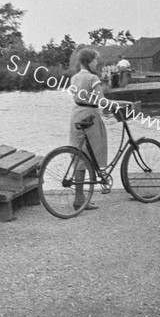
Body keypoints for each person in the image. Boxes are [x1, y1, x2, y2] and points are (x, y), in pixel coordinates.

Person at [69, 49, 108, 210]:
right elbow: (102, 102)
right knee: (92, 154)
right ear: (89, 61)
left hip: (76, 115)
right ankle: (82, 197)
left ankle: (80, 198)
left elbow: (76, 96)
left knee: (79, 155)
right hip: (90, 117)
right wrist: (124, 103)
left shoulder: (74, 77)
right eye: (95, 61)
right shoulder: (93, 78)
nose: (97, 63)